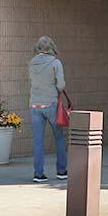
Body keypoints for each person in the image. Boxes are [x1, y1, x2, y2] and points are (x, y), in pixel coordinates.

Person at [27, 36, 68, 182]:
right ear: (52, 47)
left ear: (38, 47)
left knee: (38, 141)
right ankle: (61, 171)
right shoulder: (56, 63)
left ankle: (38, 174)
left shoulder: (32, 63)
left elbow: (32, 81)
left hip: (34, 104)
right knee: (59, 137)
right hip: (50, 103)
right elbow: (61, 85)